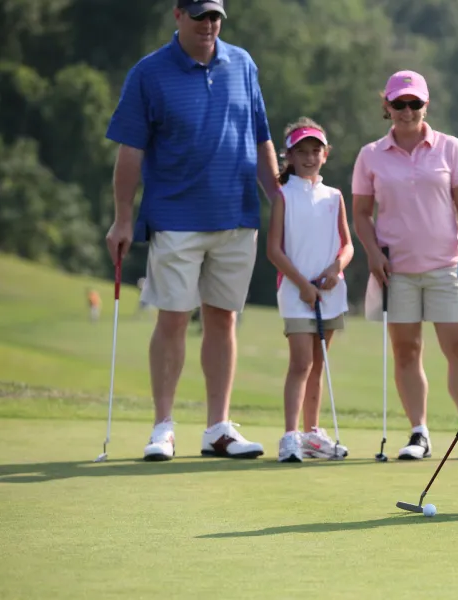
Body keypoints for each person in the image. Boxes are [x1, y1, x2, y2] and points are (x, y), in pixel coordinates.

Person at [103, 0, 282, 461]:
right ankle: (163, 426)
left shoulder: (242, 63)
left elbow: (260, 135)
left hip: (237, 216)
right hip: (176, 219)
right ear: (178, 15)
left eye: (216, 16)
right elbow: (130, 152)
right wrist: (123, 217)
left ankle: (217, 428)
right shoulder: (149, 73)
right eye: (200, 15)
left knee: (223, 319)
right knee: (174, 318)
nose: (209, 25)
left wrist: (279, 199)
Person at [351, 70, 458, 461]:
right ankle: (418, 433)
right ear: (386, 106)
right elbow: (362, 215)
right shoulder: (371, 155)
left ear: (425, 105)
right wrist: (371, 253)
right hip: (396, 270)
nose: (407, 111)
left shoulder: (450, 148)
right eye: (399, 103)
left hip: (446, 266)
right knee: (406, 351)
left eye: (414, 103)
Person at [266, 118, 353, 463]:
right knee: (301, 363)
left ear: (325, 154)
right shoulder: (282, 196)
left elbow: (347, 245)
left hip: (330, 293)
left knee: (318, 364)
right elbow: (274, 250)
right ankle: (290, 436)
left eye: (315, 150)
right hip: (295, 291)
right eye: (301, 151)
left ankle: (312, 433)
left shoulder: (334, 196)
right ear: (288, 155)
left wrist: (336, 269)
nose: (308, 157)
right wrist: (302, 284)